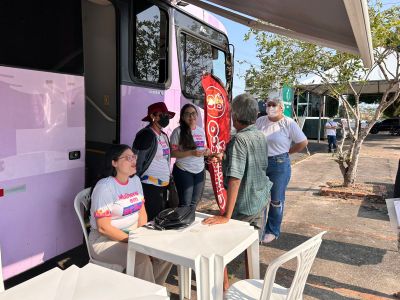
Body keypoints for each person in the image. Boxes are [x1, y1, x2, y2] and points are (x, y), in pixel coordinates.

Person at [203, 93, 272, 290]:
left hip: (245, 203)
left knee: (219, 247)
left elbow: (235, 178)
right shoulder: (259, 134)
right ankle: (253, 285)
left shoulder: (239, 140)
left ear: (234, 116)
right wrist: (224, 156)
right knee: (252, 248)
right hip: (260, 198)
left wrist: (226, 215)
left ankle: (223, 289)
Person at [88, 144, 171, 284]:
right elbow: (104, 228)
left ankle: (152, 289)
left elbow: (142, 212)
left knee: (166, 252)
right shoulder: (105, 187)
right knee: (141, 258)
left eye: (134, 157)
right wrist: (135, 242)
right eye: (128, 158)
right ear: (114, 162)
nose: (134, 161)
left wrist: (142, 236)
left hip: (133, 234)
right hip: (104, 241)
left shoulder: (135, 181)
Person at [256, 97, 308, 243]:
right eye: (268, 105)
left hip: (279, 164)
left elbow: (303, 142)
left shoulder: (288, 122)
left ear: (281, 108)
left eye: (274, 105)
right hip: (260, 162)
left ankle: (272, 230)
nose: (270, 107)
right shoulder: (261, 121)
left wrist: (288, 152)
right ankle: (259, 228)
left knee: (276, 199)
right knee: (260, 198)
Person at [132, 102, 175, 221]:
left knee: (160, 217)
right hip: (150, 187)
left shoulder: (163, 135)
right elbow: (138, 161)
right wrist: (135, 182)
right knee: (151, 219)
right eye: (162, 115)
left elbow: (166, 159)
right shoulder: (146, 135)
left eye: (167, 115)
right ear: (153, 117)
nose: (166, 118)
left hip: (163, 186)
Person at [170, 104, 210, 207]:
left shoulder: (201, 131)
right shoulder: (177, 132)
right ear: (183, 117)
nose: (191, 117)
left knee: (194, 203)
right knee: (185, 203)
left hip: (200, 171)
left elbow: (203, 148)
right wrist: (191, 153)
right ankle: (182, 222)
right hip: (183, 171)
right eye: (187, 114)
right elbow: (172, 153)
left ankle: (189, 221)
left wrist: (206, 152)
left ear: (197, 115)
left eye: (193, 113)